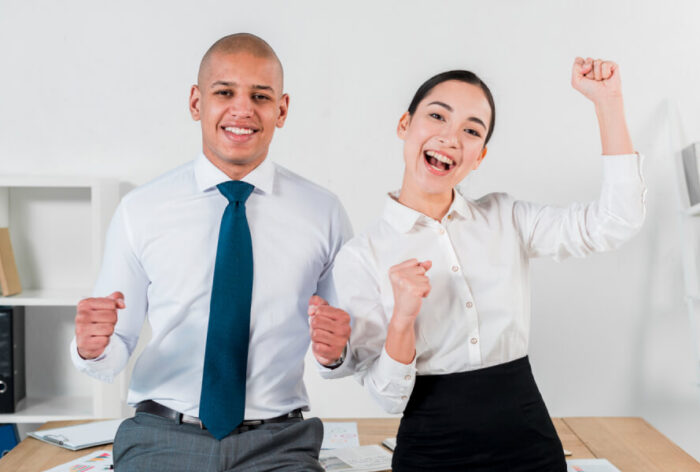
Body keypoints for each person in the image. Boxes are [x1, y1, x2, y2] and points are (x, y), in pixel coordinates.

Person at [328, 58, 645, 471]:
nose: (450, 137)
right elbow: (388, 398)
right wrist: (402, 321)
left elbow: (614, 223)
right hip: (431, 450)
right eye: (437, 116)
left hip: (529, 443)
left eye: (471, 130)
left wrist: (609, 102)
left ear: (480, 156)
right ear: (405, 124)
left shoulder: (506, 217)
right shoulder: (362, 254)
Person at [70, 33, 352, 472]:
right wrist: (91, 347)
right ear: (196, 102)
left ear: (282, 109)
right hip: (162, 437)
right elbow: (113, 350)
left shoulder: (323, 212)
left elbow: (344, 351)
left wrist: (337, 351)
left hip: (279, 443)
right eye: (225, 92)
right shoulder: (141, 210)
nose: (243, 109)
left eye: (260, 96)